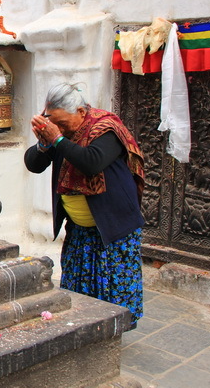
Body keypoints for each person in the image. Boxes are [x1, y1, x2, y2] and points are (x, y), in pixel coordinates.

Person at [24, 82, 145, 329]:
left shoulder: (106, 129)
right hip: (80, 230)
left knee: (113, 285)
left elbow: (91, 162)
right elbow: (33, 165)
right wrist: (43, 144)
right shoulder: (61, 136)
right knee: (80, 285)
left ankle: (113, 329)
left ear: (81, 112)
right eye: (53, 123)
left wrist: (56, 139)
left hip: (113, 226)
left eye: (64, 123)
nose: (60, 129)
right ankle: (85, 328)